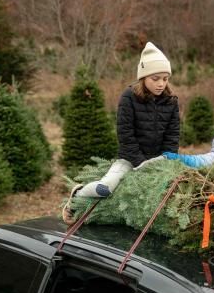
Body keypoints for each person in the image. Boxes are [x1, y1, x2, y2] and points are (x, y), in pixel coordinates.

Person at [73, 42, 179, 199]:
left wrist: (164, 160)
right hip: (129, 160)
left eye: (165, 79)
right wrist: (141, 163)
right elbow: (125, 134)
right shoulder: (128, 97)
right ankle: (78, 194)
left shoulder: (171, 101)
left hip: (159, 161)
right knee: (106, 188)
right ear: (143, 77)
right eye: (155, 79)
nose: (161, 84)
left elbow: (173, 135)